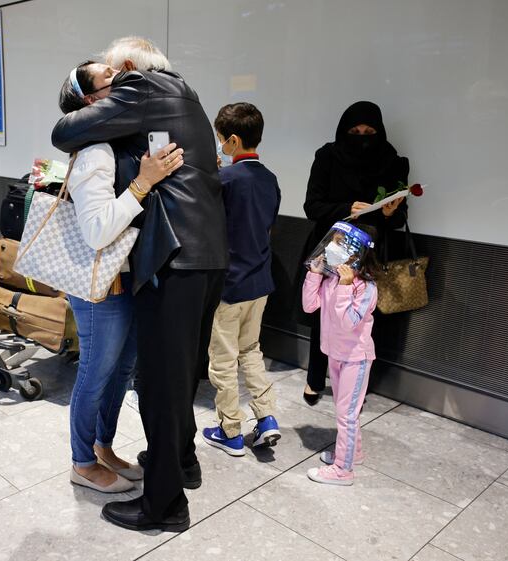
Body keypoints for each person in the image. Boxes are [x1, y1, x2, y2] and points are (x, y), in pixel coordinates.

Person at [52, 37, 228, 532]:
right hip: (206, 255)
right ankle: (182, 464)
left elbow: (62, 130)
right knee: (178, 374)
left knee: (157, 385)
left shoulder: (142, 86)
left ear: (129, 68)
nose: (112, 86)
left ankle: (165, 507)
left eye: (111, 74)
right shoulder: (183, 93)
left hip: (175, 260)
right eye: (102, 82)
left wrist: (139, 183)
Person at [58, 61, 184, 493]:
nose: (126, 81)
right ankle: (81, 461)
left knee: (121, 369)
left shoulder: (118, 145)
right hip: (99, 284)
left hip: (125, 277)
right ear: (92, 101)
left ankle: (102, 447)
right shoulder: (94, 150)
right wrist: (143, 183)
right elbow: (96, 232)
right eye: (111, 79)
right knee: (96, 371)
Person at [301, 101, 408, 405]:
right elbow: (312, 206)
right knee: (324, 313)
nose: (362, 137)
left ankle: (353, 381)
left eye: (370, 131)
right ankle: (315, 378)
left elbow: (400, 218)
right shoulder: (328, 156)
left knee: (361, 319)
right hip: (333, 250)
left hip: (371, 255)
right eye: (355, 131)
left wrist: (387, 213)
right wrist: (347, 209)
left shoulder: (391, 161)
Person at [201, 103, 282, 456]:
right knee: (251, 351)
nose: (220, 144)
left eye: (221, 139)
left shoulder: (224, 181)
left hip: (231, 285)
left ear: (232, 140)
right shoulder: (270, 179)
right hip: (260, 282)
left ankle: (229, 431)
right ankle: (266, 419)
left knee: (222, 359)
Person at [302, 222, 380, 486]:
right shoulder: (332, 278)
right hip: (334, 354)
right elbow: (310, 305)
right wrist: (314, 275)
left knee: (346, 414)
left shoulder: (365, 287)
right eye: (332, 241)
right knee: (344, 410)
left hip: (355, 358)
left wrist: (346, 288)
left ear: (355, 253)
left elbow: (349, 323)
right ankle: (353, 454)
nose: (332, 247)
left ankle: (343, 471)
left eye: (339, 242)